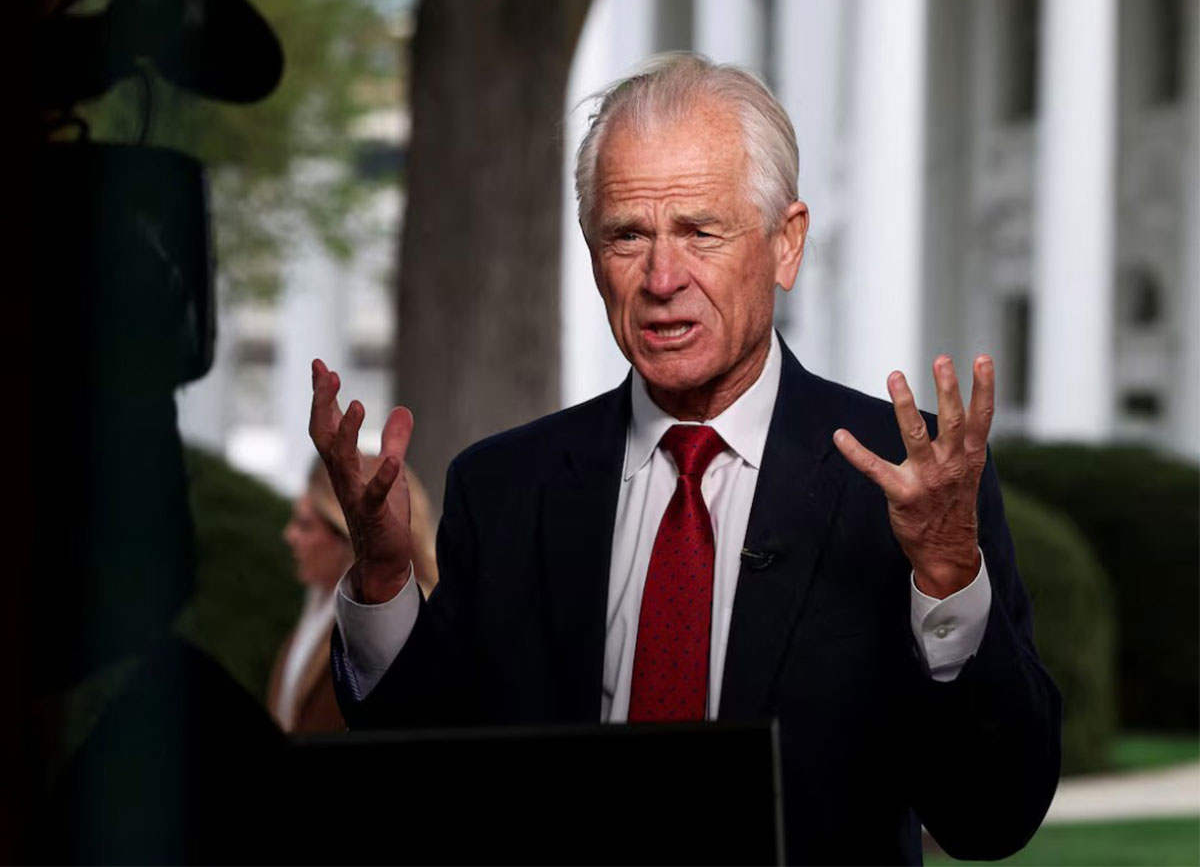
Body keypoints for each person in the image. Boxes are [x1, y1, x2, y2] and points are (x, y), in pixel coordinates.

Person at [309, 54, 1061, 863]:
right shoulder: (505, 490)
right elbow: (428, 790)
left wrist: (946, 579)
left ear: (786, 244)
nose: (662, 278)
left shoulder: (909, 489)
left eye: (700, 231)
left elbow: (991, 817)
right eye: (627, 236)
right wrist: (383, 578)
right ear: (592, 254)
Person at [267, 457, 437, 733]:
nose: (290, 535)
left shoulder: (404, 621)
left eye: (306, 525)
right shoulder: (317, 610)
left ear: (345, 535)